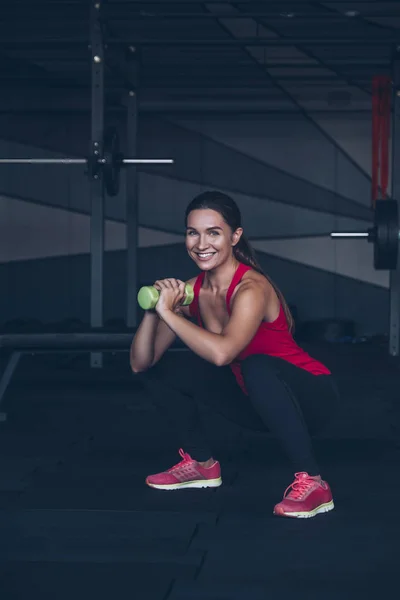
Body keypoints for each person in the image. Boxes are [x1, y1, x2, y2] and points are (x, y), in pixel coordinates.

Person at [130, 191, 339, 519]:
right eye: (192, 232)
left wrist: (171, 313)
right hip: (255, 402)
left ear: (235, 236)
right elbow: (140, 363)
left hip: (310, 398)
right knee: (162, 370)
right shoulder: (190, 291)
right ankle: (201, 465)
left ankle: (314, 483)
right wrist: (154, 311)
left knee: (256, 365)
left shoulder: (251, 289)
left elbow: (223, 354)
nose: (201, 244)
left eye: (213, 232)